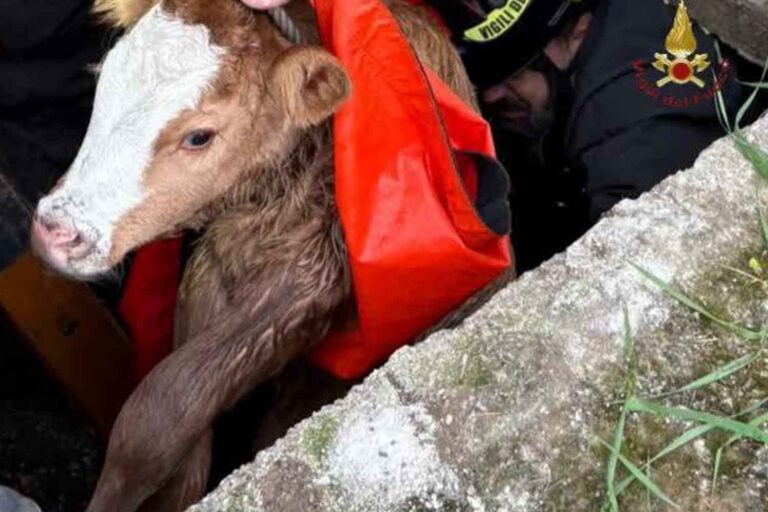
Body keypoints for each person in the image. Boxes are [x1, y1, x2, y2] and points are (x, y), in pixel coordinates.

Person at [420, 0, 744, 271]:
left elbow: (647, 264)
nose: (490, 97)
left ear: (578, 30)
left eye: (516, 72)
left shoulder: (634, 103)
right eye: (484, 79)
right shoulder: (576, 69)